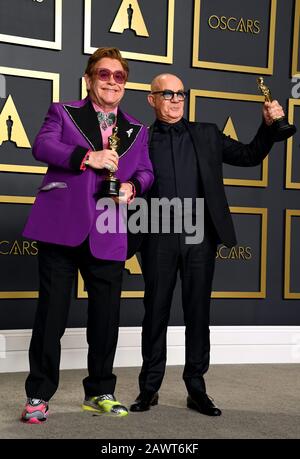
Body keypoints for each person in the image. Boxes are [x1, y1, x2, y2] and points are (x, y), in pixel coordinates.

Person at [130, 73, 284, 416]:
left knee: (198, 313)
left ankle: (196, 388)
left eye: (180, 93)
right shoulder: (138, 138)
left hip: (200, 234)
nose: (175, 99)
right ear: (151, 99)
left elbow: (249, 155)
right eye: (167, 93)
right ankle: (149, 388)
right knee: (155, 311)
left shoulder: (207, 133)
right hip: (156, 232)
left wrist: (269, 126)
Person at [20, 47, 153, 423]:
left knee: (106, 318)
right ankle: (38, 396)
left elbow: (145, 171)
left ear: (125, 84)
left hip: (109, 230)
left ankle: (99, 392)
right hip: (61, 227)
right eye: (104, 74)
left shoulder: (137, 130)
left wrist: (132, 188)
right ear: (89, 78)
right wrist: (86, 157)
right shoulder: (62, 111)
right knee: (51, 316)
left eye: (119, 76)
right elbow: (42, 146)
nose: (112, 81)